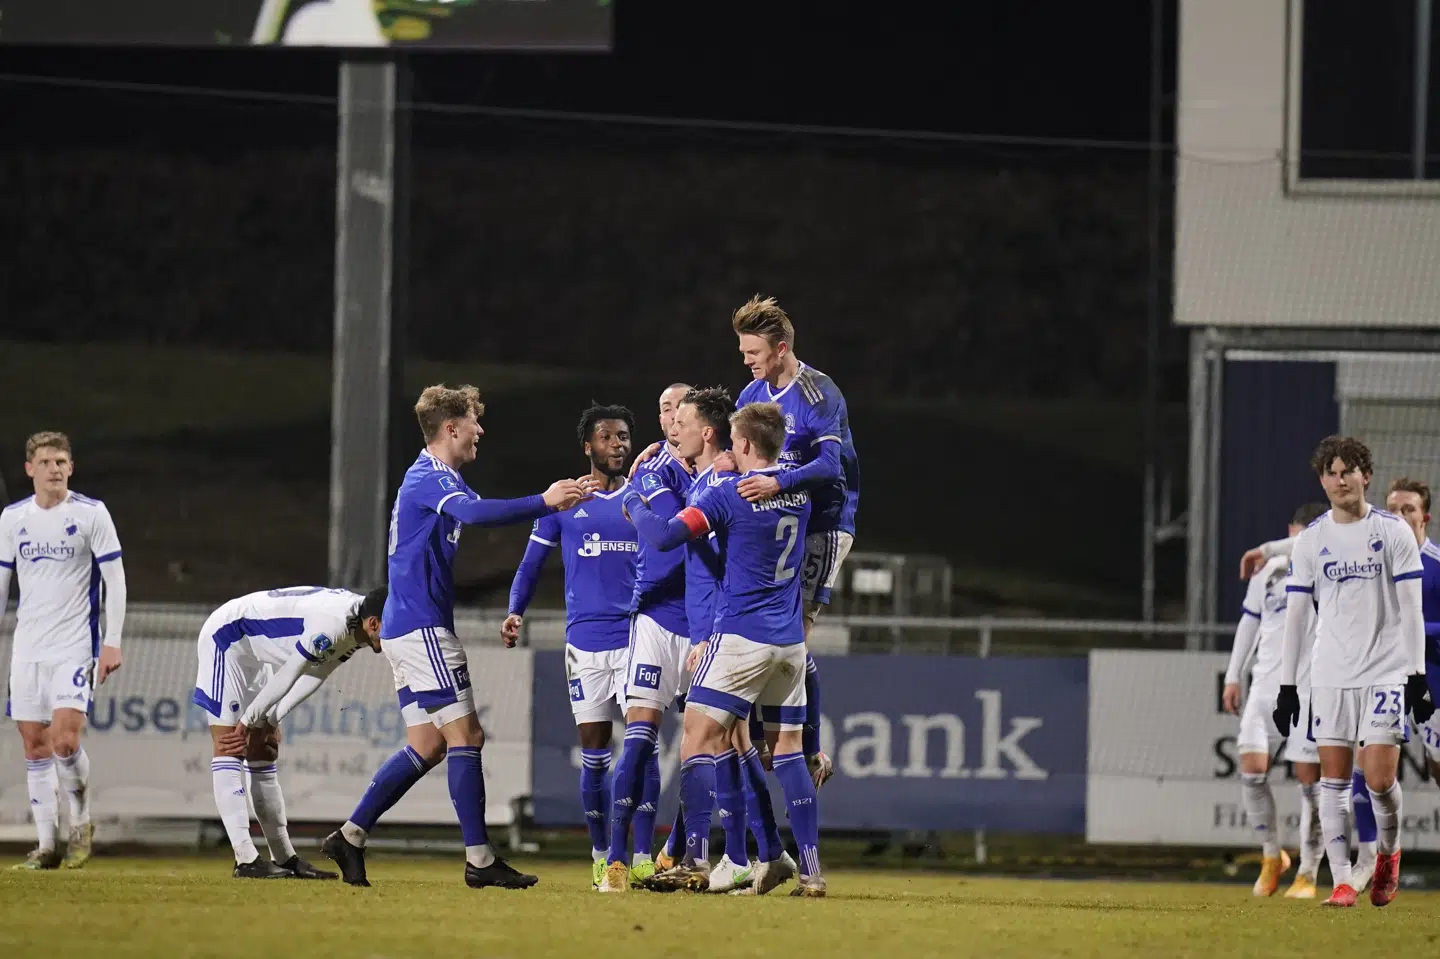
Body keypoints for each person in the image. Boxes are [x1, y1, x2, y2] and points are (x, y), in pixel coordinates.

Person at [321, 384, 594, 889]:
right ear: (451, 428)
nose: (480, 431)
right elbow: (475, 515)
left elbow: (477, 509)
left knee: (426, 744)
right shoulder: (428, 478)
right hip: (420, 627)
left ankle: (350, 836)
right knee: (466, 736)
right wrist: (544, 501)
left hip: (410, 627)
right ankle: (479, 860)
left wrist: (558, 498)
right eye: (473, 422)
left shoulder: (442, 478)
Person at [625, 403, 826, 897]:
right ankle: (812, 873)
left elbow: (666, 535)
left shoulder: (728, 495)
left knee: (697, 736)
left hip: (741, 636)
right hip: (789, 643)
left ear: (744, 445)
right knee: (787, 753)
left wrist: (633, 498)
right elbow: (824, 474)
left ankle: (694, 856)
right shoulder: (797, 490)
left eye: (736, 441)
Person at [1274, 436, 1435, 907]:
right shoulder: (1313, 540)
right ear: (1321, 479)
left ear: (1366, 476)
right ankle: (1343, 879)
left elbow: (1410, 608)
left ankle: (1388, 854)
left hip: (1385, 671)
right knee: (1335, 780)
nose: (1339, 480)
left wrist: (1416, 674)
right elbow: (1298, 616)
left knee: (1381, 780)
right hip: (1331, 673)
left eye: (1348, 471)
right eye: (1330, 472)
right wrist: (1288, 686)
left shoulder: (1392, 532)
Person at [502, 404, 640, 888]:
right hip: (584, 644)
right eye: (607, 437)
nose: (617, 444)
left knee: (642, 747)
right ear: (588, 447)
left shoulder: (644, 499)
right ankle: (603, 856)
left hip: (635, 640)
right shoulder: (564, 504)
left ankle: (637, 856)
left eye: (623, 436)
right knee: (595, 753)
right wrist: (516, 609)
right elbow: (530, 564)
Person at [194, 586, 387, 878]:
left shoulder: (357, 627)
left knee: (265, 748)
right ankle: (245, 858)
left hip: (254, 652)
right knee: (230, 745)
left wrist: (272, 718)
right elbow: (291, 672)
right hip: (227, 638)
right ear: (373, 623)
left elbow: (317, 672)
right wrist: (249, 720)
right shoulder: (333, 623)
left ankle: (284, 858)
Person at [2, 432, 126, 871]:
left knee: (65, 741)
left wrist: (112, 641)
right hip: (27, 649)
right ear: (29, 469)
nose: (55, 468)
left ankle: (80, 822)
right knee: (34, 746)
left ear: (71, 468)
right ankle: (46, 846)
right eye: (46, 461)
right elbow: (2, 584)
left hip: (75, 644)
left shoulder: (92, 514)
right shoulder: (12, 519)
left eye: (62, 461)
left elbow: (115, 581)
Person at [598, 399, 694, 892]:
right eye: (666, 411)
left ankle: (680, 852)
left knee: (715, 745)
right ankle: (616, 859)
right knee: (641, 733)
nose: (674, 418)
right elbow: (666, 534)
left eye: (683, 411)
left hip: (706, 620)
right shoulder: (655, 470)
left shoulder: (721, 470)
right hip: (657, 618)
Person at [1222, 502, 1327, 898]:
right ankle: (1271, 856)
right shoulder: (1266, 573)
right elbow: (1250, 621)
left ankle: (1309, 873)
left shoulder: (1324, 564)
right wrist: (1235, 675)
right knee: (1251, 767)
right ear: (1290, 528)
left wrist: (1269, 547)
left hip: (1308, 688)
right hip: (1266, 686)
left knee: (1308, 779)